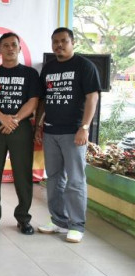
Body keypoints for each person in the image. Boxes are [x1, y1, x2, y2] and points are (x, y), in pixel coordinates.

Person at [36, 27, 101, 243]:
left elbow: (92, 97)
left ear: (73, 42)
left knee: (75, 180)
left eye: (64, 41)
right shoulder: (48, 68)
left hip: (74, 132)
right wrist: (39, 126)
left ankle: (76, 225)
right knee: (54, 179)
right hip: (51, 131)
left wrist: (85, 127)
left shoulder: (85, 66)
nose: (59, 45)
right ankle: (58, 221)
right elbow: (43, 99)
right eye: (55, 41)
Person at [0, 32, 40, 234]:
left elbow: (33, 101)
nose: (10, 48)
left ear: (19, 48)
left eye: (14, 45)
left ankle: (23, 218)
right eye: (5, 45)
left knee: (22, 174)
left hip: (20, 127)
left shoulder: (30, 74)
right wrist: (1, 116)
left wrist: (14, 120)